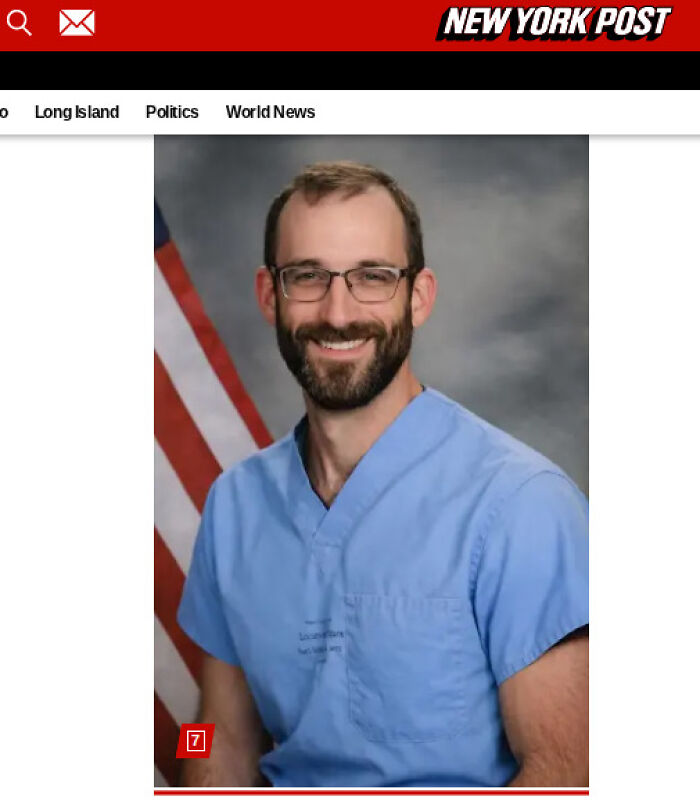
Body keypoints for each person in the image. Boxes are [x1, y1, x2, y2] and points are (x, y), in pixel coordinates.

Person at [176, 161, 588, 787]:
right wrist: (190, 756)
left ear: (417, 297)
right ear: (269, 295)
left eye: (372, 277)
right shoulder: (234, 507)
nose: (338, 313)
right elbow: (215, 732)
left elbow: (569, 771)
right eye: (307, 276)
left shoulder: (522, 507)